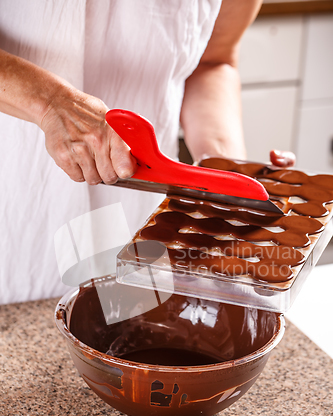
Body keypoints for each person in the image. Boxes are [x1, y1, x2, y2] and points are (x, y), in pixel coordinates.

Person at [0, 0, 294, 305]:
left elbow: (212, 62)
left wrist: (222, 168)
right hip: (18, 201)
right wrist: (51, 102)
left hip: (139, 213)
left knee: (128, 315)